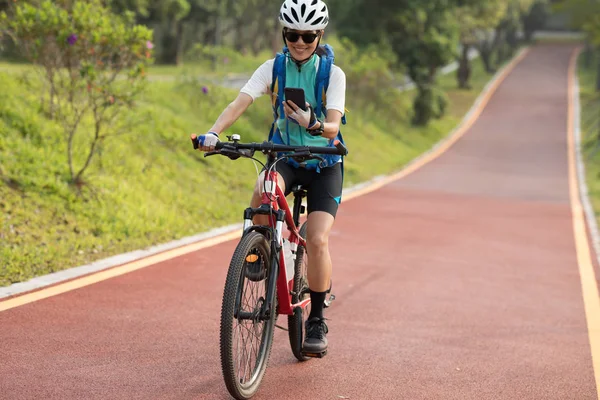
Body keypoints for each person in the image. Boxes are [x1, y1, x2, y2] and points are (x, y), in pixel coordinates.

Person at [193, 0, 346, 356]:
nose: (300, 42)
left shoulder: (332, 75)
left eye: (308, 36)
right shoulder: (273, 68)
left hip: (325, 163)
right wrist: (213, 133)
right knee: (264, 189)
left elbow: (334, 126)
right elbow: (239, 102)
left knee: (319, 239)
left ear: (319, 35)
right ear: (284, 33)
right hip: (287, 157)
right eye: (293, 34)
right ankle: (259, 250)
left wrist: (314, 123)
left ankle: (317, 318)